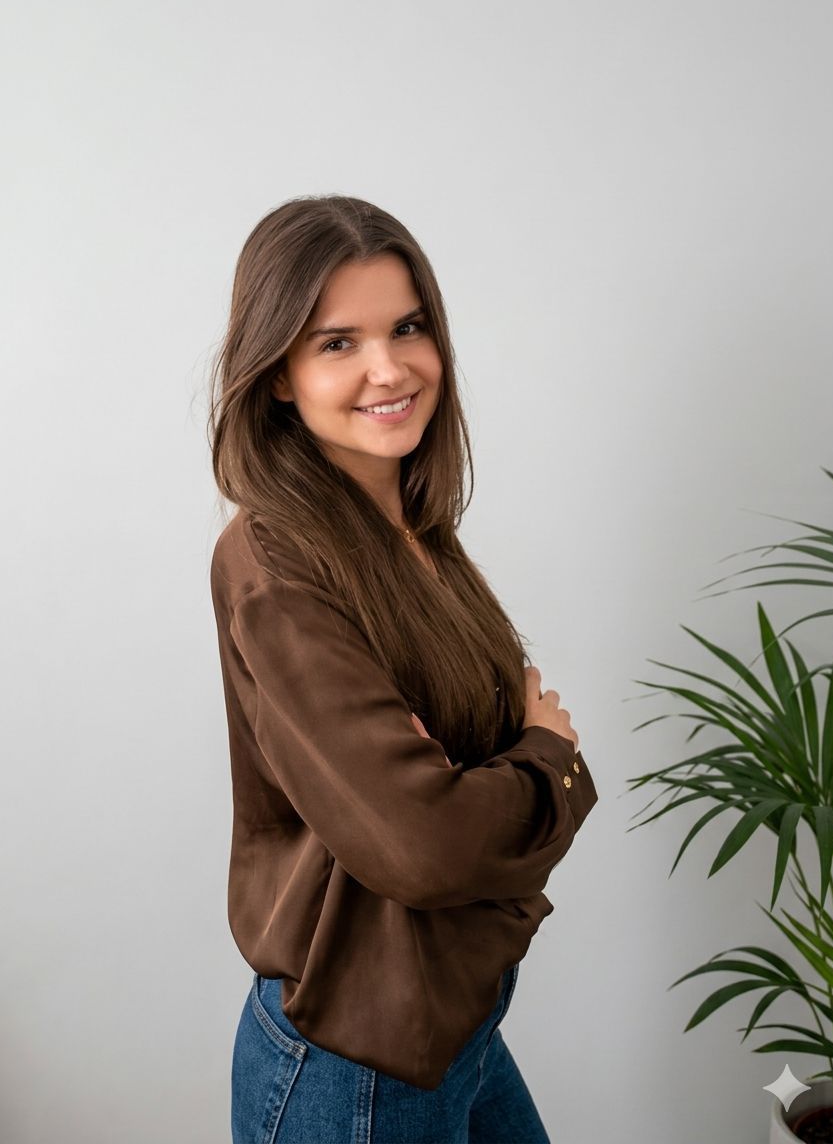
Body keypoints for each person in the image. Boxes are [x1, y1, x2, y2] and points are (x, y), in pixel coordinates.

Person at [207, 195, 598, 1143]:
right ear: (277, 378)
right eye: (337, 342)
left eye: (408, 327)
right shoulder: (276, 564)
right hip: (351, 1062)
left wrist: (473, 787)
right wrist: (549, 758)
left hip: (453, 1023)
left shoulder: (414, 532)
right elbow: (428, 844)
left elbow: (440, 816)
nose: (390, 368)